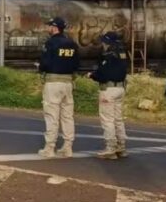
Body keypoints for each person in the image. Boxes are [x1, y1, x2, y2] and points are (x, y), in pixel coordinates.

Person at [38, 17, 80, 158]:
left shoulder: (50, 43)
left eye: (49, 26)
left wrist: (40, 67)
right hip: (68, 83)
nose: (48, 28)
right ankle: (68, 147)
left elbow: (44, 63)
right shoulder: (72, 44)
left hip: (53, 82)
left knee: (52, 115)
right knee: (67, 116)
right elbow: (76, 65)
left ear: (55, 28)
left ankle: (49, 148)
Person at [87, 31, 128, 159]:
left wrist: (92, 75)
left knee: (108, 120)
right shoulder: (122, 53)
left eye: (104, 41)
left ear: (108, 42)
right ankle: (121, 147)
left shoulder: (108, 55)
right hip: (120, 88)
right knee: (118, 119)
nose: (102, 44)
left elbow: (102, 74)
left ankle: (110, 148)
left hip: (108, 90)